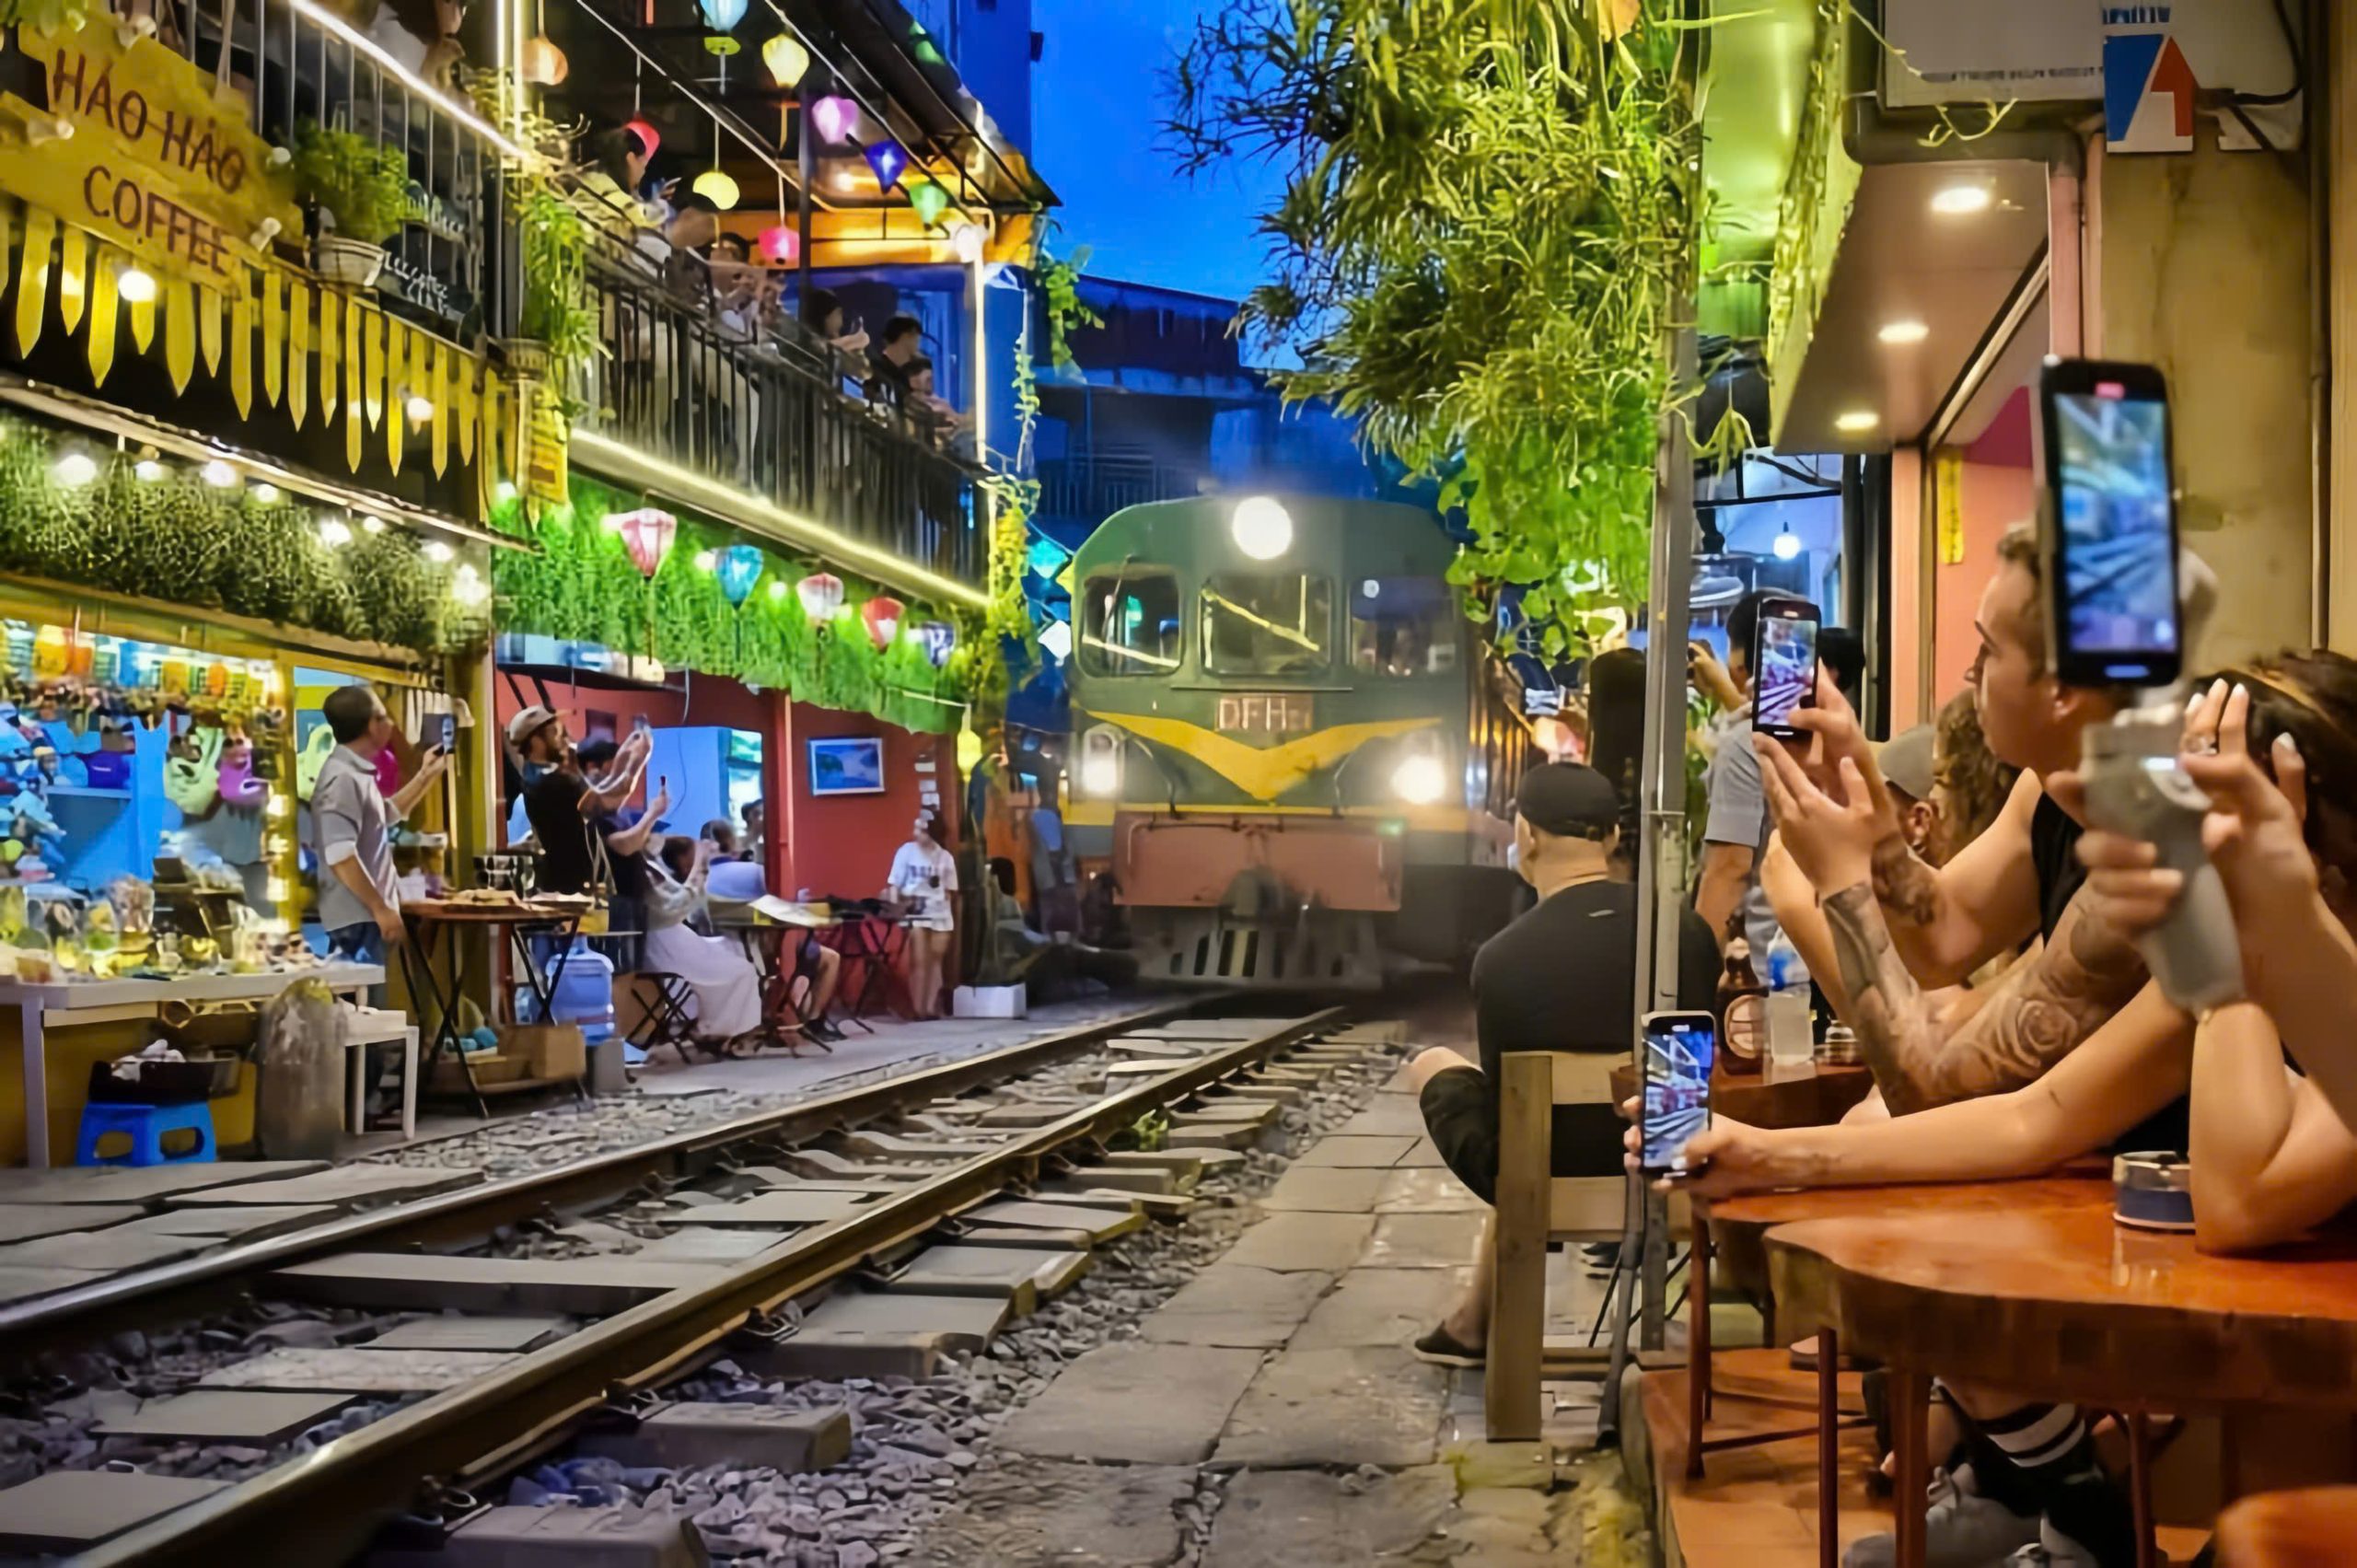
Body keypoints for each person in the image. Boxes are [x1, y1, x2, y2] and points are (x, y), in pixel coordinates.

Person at [1758, 526, 2214, 1116]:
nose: (1971, 676)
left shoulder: (2156, 850)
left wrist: (1836, 884)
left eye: (1989, 650)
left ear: (2061, 691)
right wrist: (1856, 780)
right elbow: (1943, 935)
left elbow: (1926, 1087)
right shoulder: (2045, 791)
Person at [1399, 762, 1718, 1368]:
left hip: (1543, 1180)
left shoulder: (1501, 958)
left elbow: (1503, 1112)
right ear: (1612, 840)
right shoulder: (1687, 931)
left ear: (1528, 834)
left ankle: (1476, 1328)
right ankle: (1470, 1322)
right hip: (1673, 1163)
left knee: (1437, 1066)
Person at [1694, 590, 1799, 956]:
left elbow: (1729, 868)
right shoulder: (1830, 735)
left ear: (1739, 662)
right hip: (1817, 952)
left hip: (1758, 958)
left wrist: (1695, 963)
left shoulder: (1743, 744)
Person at [645, 836, 764, 1049]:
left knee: (734, 950)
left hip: (673, 938)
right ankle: (715, 1029)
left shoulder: (653, 869)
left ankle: (720, 1027)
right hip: (667, 944)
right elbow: (677, 908)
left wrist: (701, 871)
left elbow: (691, 904)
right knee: (742, 969)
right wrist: (699, 863)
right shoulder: (647, 873)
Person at [885, 812, 958, 1019]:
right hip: (915, 910)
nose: (916, 833)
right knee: (919, 960)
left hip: (939, 910)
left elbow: (950, 890)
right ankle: (918, 1009)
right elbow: (895, 883)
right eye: (916, 828)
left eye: (922, 830)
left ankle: (929, 1007)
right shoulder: (906, 852)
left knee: (935, 959)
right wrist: (896, 906)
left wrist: (946, 909)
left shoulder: (945, 857)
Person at [866, 313, 923, 402]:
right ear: (906, 336)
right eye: (915, 337)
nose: (918, 342)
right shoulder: (872, 373)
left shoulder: (911, 377)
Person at [803, 287, 869, 356]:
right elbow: (821, 348)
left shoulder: (849, 338)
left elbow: (863, 339)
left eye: (839, 314)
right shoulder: (813, 344)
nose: (839, 319)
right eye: (838, 313)